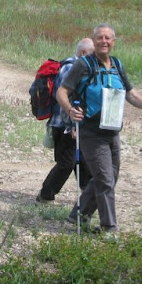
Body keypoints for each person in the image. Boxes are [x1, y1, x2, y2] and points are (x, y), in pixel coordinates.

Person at [55, 23, 142, 233]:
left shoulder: (117, 65)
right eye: (99, 38)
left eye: (107, 38)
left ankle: (78, 215)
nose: (103, 41)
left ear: (113, 42)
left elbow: (130, 94)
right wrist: (70, 110)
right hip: (90, 131)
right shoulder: (84, 65)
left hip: (112, 129)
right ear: (94, 41)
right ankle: (109, 228)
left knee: (110, 178)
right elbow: (62, 91)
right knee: (106, 179)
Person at [36, 38, 95, 204]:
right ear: (83, 53)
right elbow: (62, 100)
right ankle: (45, 195)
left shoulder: (80, 68)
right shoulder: (70, 68)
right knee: (66, 163)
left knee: (82, 160)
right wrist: (71, 127)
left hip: (74, 124)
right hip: (64, 125)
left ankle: (87, 194)